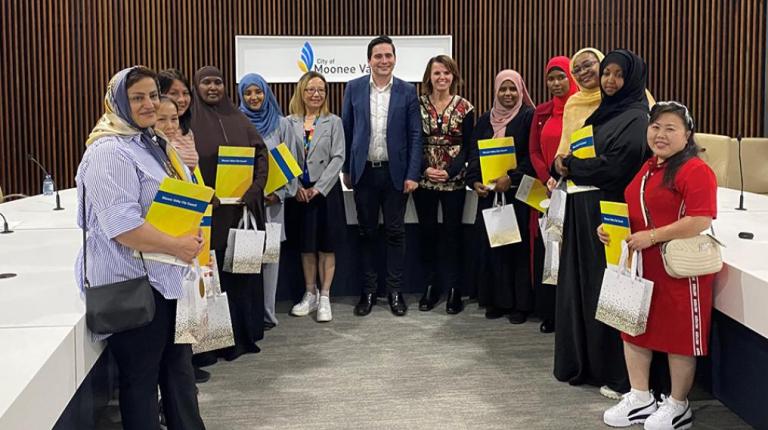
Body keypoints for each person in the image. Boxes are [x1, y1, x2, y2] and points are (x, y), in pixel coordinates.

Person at [76, 66, 206, 430]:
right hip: (132, 283)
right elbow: (123, 227)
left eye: (152, 95)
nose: (149, 104)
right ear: (117, 101)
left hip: (165, 278)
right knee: (141, 383)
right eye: (137, 97)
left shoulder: (147, 143)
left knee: (175, 371)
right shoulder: (109, 152)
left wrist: (187, 239)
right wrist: (177, 245)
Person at [600, 102, 716, 430]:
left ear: (687, 134)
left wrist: (652, 236)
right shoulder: (650, 166)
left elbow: (700, 219)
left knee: (678, 337)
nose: (661, 134)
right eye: (656, 126)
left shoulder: (694, 169)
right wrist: (614, 229)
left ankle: (678, 404)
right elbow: (635, 207)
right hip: (641, 264)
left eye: (670, 128)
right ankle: (640, 397)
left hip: (677, 267)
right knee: (634, 329)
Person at [552, 49, 651, 399]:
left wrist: (572, 166)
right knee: (583, 286)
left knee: (608, 288)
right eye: (606, 73)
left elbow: (618, 166)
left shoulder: (638, 116)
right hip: (581, 211)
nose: (609, 80)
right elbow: (572, 153)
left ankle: (621, 374)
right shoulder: (600, 112)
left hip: (608, 212)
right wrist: (560, 165)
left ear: (632, 78)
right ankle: (585, 363)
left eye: (617, 74)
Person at [190, 66, 269, 363]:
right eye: (206, 82)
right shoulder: (189, 123)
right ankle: (212, 346)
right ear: (197, 86)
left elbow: (261, 155)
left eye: (218, 82)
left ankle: (243, 338)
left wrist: (255, 190)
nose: (213, 88)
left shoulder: (239, 118)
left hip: (241, 215)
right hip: (209, 217)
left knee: (242, 279)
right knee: (212, 280)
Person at [341, 35, 422, 317]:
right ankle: (369, 291)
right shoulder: (353, 88)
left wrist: (413, 173)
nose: (384, 61)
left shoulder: (407, 91)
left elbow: (415, 135)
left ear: (395, 59)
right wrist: (347, 170)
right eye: (378, 56)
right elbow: (347, 131)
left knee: (395, 234)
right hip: (364, 173)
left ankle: (395, 291)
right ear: (369, 60)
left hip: (395, 174)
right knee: (366, 234)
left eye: (388, 56)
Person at [465, 69, 535, 324]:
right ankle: (496, 300)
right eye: (503, 89)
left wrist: (512, 178)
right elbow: (474, 154)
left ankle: (519, 304)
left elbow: (532, 155)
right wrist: (474, 181)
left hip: (517, 197)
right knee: (492, 248)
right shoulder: (485, 121)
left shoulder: (528, 117)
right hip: (489, 197)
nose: (508, 94)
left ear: (521, 90)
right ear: (495, 91)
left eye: (513, 89)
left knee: (516, 249)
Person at [238, 72, 302, 329]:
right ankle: (247, 315)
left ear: (267, 93)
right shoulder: (236, 122)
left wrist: (281, 193)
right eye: (248, 93)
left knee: (269, 260)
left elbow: (293, 163)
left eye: (258, 91)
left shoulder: (281, 124)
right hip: (245, 206)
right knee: (245, 259)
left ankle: (267, 315)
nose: (254, 97)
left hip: (274, 203)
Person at [414, 55, 474, 314]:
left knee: (452, 236)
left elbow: (469, 145)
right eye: (437, 73)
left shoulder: (465, 107)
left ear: (454, 77)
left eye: (447, 73)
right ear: (429, 76)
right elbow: (411, 141)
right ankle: (431, 286)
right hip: (424, 180)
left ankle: (454, 289)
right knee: (428, 235)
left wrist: (450, 171)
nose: (442, 78)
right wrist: (424, 169)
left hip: (454, 181)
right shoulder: (416, 105)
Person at [287, 71, 346, 322]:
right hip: (300, 193)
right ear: (301, 91)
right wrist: (296, 185)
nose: (316, 94)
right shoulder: (288, 122)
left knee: (326, 246)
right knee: (306, 246)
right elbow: (283, 157)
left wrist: (319, 187)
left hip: (325, 192)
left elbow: (338, 157)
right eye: (311, 89)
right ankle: (309, 294)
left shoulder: (334, 122)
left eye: (321, 89)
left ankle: (324, 297)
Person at [528, 56, 578, 333]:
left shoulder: (583, 108)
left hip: (575, 190)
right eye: (551, 78)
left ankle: (572, 313)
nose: (556, 83)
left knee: (572, 250)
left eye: (562, 77)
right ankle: (550, 311)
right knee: (549, 248)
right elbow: (534, 150)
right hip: (548, 191)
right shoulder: (542, 112)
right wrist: (546, 176)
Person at [158, 69, 199, 171]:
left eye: (185, 93)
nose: (181, 99)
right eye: (173, 93)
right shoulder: (153, 132)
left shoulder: (187, 132)